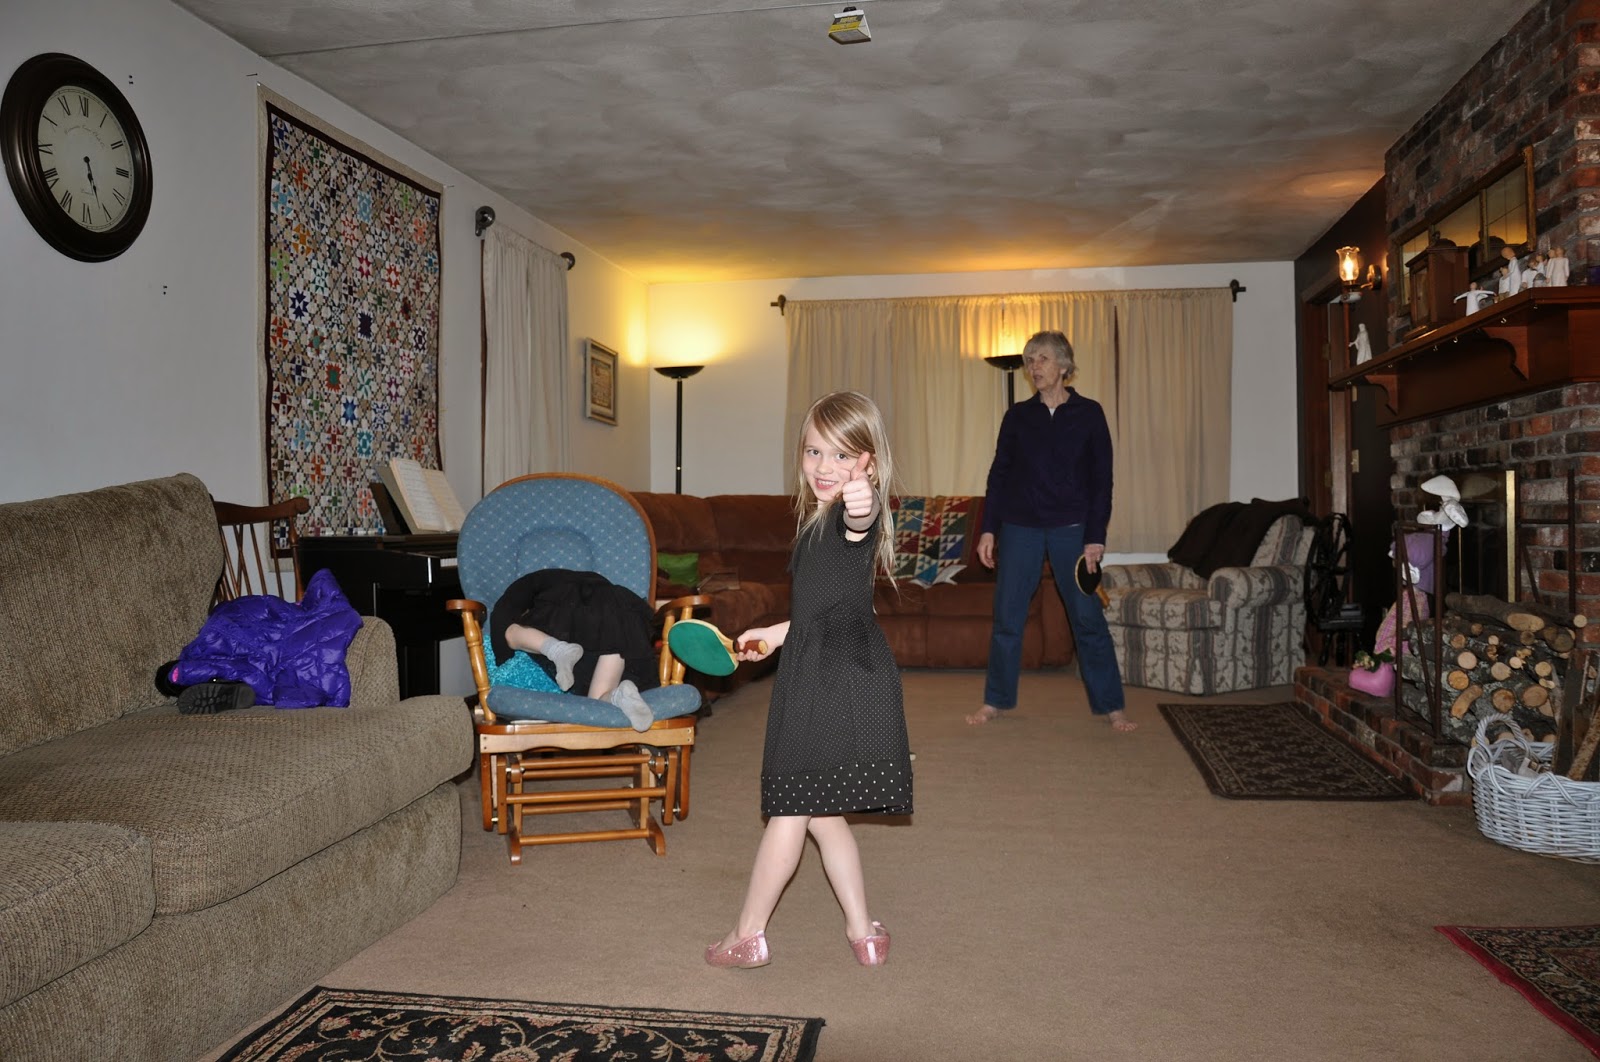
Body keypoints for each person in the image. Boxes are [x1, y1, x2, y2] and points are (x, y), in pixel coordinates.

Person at [705, 390, 912, 970]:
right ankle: (863, 932)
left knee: (790, 808)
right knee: (823, 812)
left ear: (869, 464)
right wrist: (775, 634)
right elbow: (826, 608)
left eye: (843, 456)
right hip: (836, 665)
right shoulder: (818, 523)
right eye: (815, 451)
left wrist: (861, 501)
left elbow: (861, 519)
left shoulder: (849, 516)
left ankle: (747, 933)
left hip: (828, 679)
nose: (825, 466)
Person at [966, 330, 1135, 732]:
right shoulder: (1017, 417)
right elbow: (999, 476)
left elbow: (1102, 481)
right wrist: (988, 530)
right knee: (1007, 618)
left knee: (1087, 618)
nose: (1033, 367)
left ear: (1064, 365)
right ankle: (995, 701)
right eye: (1029, 360)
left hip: (1072, 530)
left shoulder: (1089, 414)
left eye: (1041, 358)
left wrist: (1095, 536)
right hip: (1019, 528)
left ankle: (1112, 706)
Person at [488, 568, 659, 730]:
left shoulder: (539, 583)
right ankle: (619, 695)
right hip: (622, 625)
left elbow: (502, 612)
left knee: (510, 632)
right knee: (595, 703)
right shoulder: (611, 600)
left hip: (570, 608)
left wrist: (502, 657)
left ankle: (557, 650)